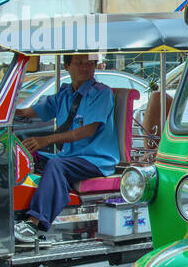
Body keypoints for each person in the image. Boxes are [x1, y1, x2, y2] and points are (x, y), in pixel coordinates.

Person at [12, 53, 119, 242]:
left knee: (57, 167)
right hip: (70, 157)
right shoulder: (65, 94)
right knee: (29, 157)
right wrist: (7, 113)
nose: (86, 68)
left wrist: (47, 140)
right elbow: (30, 112)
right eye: (79, 63)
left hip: (95, 160)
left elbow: (87, 131)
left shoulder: (102, 93)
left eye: (90, 64)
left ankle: (34, 222)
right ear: (67, 66)